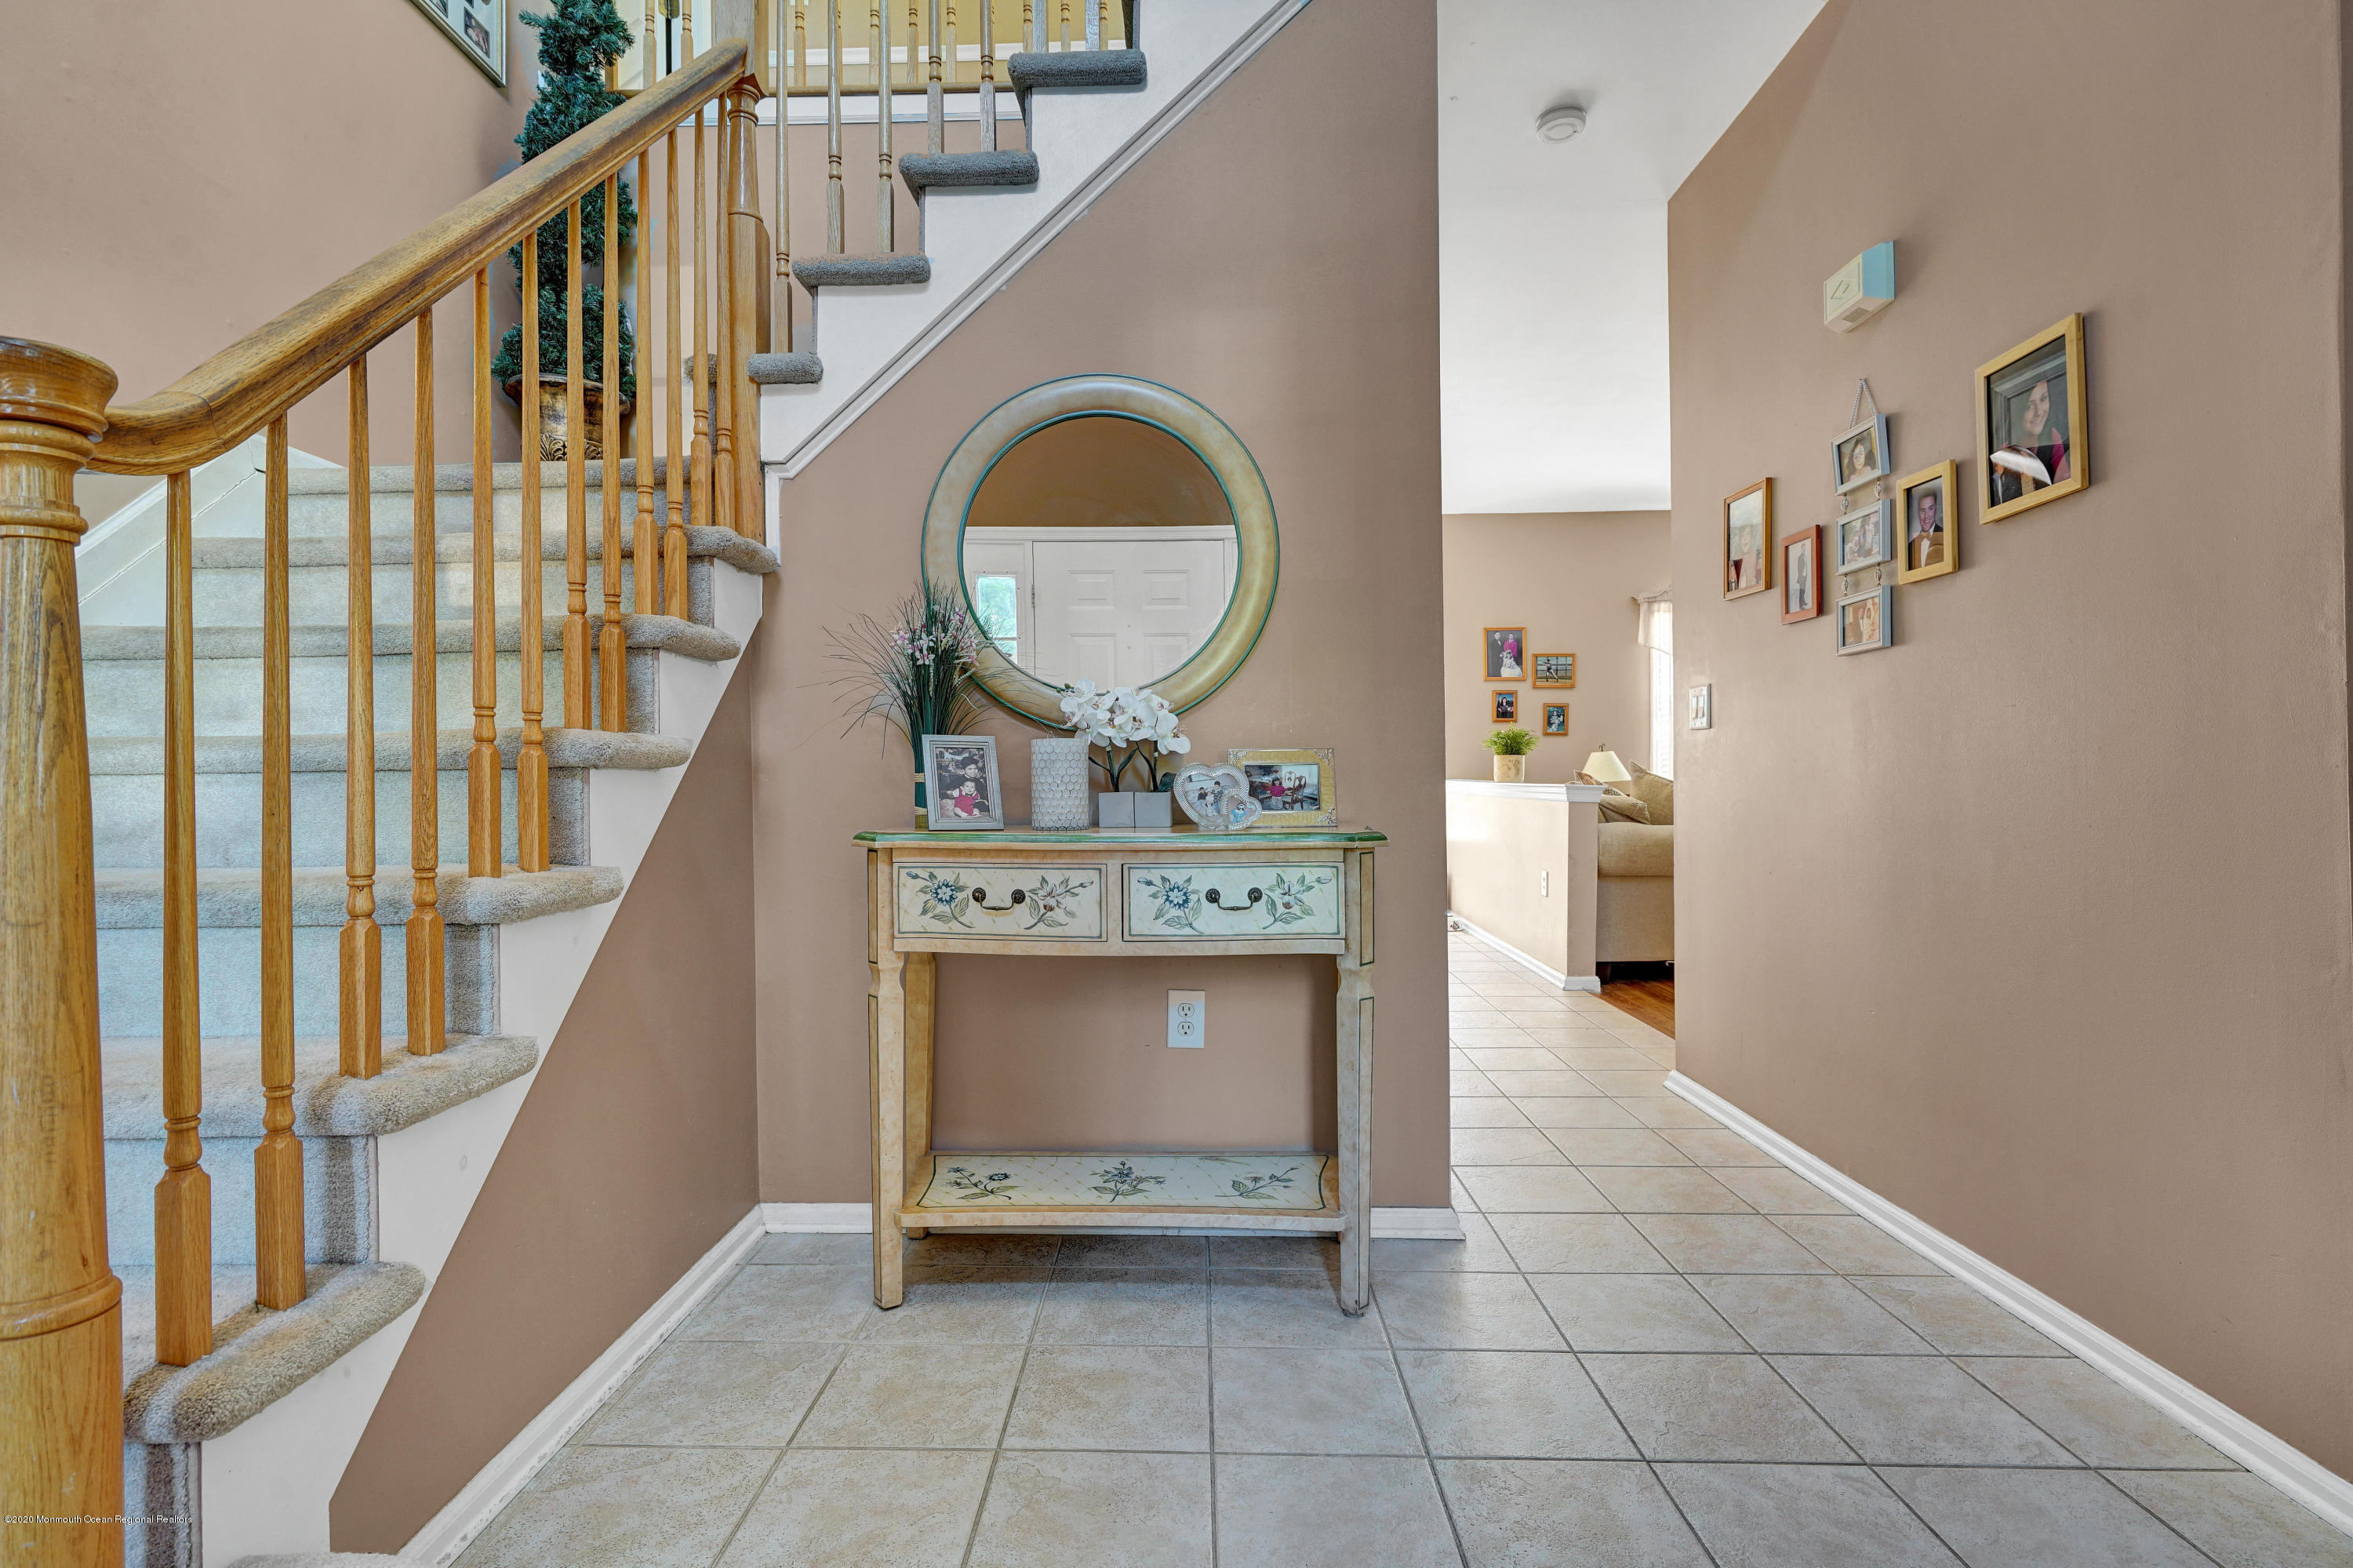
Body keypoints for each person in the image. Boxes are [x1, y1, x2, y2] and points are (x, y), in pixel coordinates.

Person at [1991, 376, 2070, 504]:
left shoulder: (2052, 437)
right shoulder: (2003, 455)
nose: (2039, 412)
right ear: (2018, 410)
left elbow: (2065, 485)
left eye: (2043, 399)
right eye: (2030, 406)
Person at [1910, 489, 1944, 569]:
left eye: (1930, 508)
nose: (1926, 516)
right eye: (1923, 511)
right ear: (1918, 513)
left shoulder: (1946, 536)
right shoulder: (1910, 546)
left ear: (1936, 509)